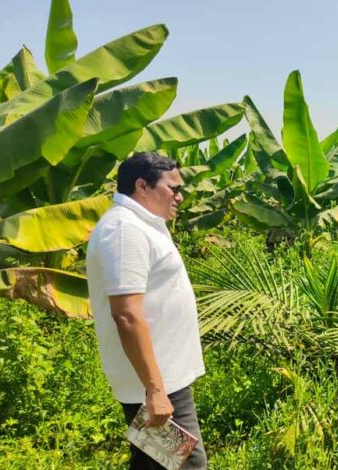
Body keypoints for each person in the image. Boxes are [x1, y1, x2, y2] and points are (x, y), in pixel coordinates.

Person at [87, 152, 207, 469]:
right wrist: (155, 391)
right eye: (173, 188)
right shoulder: (124, 231)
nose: (180, 197)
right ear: (142, 186)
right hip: (155, 382)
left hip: (161, 377)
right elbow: (126, 315)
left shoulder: (140, 224)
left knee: (151, 464)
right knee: (187, 465)